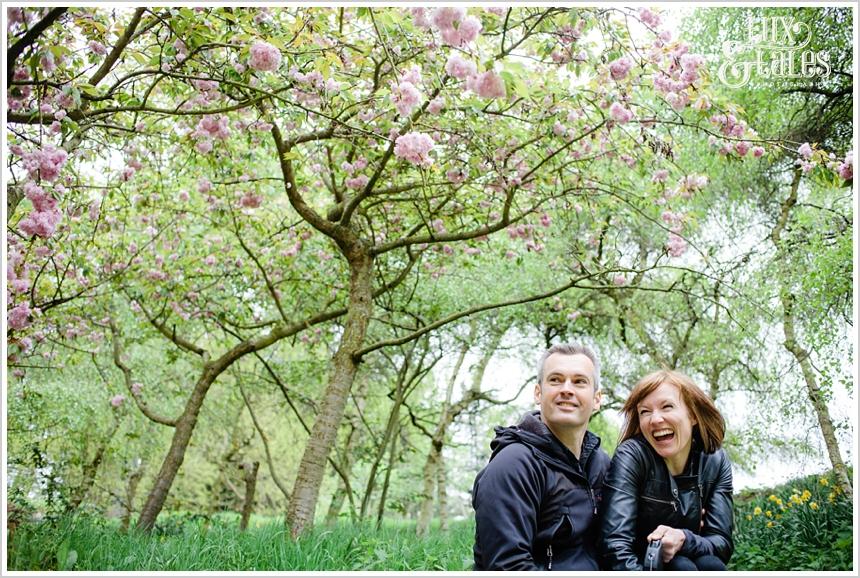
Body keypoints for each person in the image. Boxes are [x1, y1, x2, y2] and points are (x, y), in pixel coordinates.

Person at [472, 343, 610, 570]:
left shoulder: (601, 464)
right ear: (538, 393)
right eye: (556, 380)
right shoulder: (514, 465)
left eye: (579, 382)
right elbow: (508, 567)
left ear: (597, 399)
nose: (567, 389)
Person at [599, 369, 734, 571]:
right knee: (682, 568)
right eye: (644, 411)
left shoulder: (715, 461)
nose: (655, 419)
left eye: (667, 407)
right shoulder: (632, 456)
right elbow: (614, 547)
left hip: (691, 558)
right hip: (639, 564)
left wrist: (684, 539)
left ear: (693, 415)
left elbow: (721, 543)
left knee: (711, 565)